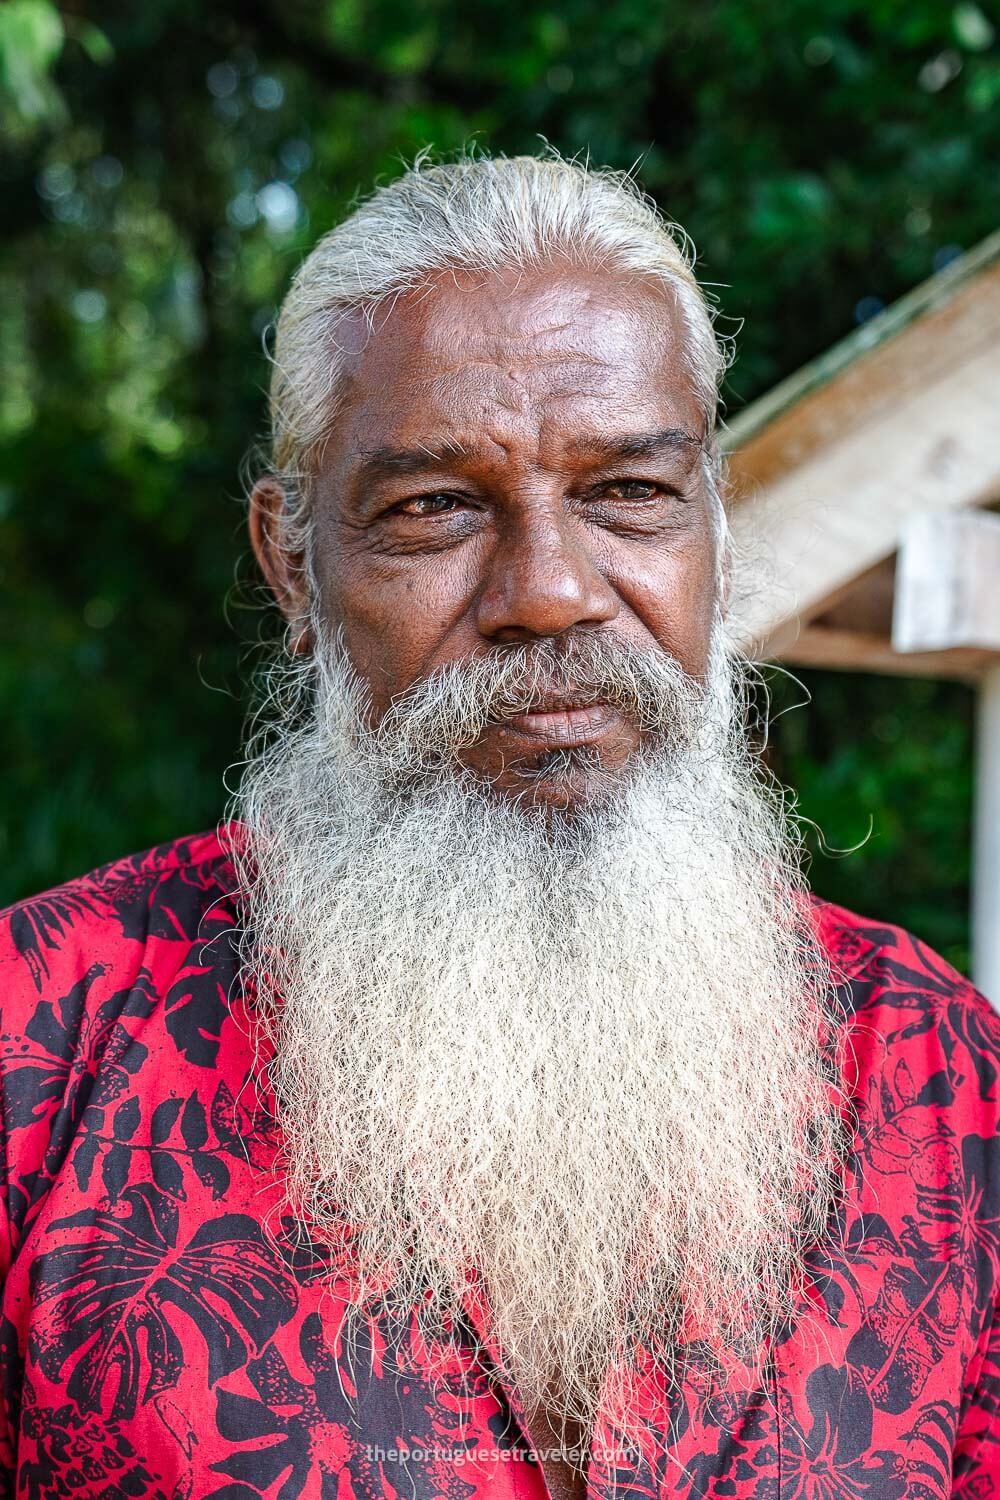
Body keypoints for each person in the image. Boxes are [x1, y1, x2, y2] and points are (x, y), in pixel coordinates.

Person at [1, 152, 997, 1500]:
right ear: (293, 565)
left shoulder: (941, 1079)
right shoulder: (39, 1048)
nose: (549, 592)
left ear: (712, 524)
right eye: (436, 508)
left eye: (629, 493)